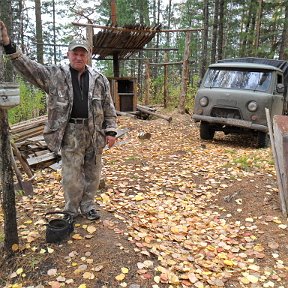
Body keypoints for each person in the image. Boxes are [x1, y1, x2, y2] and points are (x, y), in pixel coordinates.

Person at [0, 21, 117, 221]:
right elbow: (31, 69)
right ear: (68, 54)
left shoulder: (99, 79)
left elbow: (109, 106)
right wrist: (9, 45)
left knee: (93, 173)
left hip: (94, 132)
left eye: (82, 54)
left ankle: (88, 206)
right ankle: (71, 210)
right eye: (75, 53)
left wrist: (111, 130)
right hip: (70, 132)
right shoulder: (56, 75)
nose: (78, 57)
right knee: (71, 176)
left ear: (88, 55)